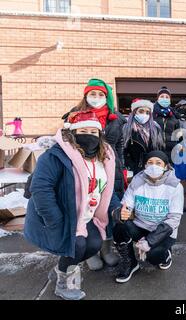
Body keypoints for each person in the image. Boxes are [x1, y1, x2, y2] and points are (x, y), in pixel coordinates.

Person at [24, 111, 121, 300]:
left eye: (94, 132)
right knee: (76, 246)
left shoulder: (105, 157)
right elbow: (41, 189)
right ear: (72, 133)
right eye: (83, 130)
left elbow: (107, 189)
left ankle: (61, 269)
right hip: (63, 215)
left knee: (94, 244)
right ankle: (63, 284)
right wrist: (56, 220)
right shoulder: (56, 155)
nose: (89, 135)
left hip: (86, 216)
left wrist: (116, 208)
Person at [63, 78, 126, 270]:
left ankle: (106, 249)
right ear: (86, 95)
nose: (96, 98)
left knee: (107, 208)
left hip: (109, 168)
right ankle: (91, 250)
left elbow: (120, 145)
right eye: (93, 94)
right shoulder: (75, 115)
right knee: (86, 208)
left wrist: (121, 168)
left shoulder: (115, 118)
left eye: (101, 94)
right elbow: (67, 143)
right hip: (85, 169)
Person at [112, 150, 184, 283]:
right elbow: (126, 205)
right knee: (119, 226)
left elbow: (173, 220)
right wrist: (121, 213)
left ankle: (165, 254)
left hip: (164, 232)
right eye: (149, 162)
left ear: (166, 166)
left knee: (153, 257)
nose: (153, 166)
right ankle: (131, 263)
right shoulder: (137, 181)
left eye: (158, 163)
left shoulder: (175, 186)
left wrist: (150, 241)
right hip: (141, 227)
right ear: (145, 165)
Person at [123, 98, 164, 175]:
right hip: (134, 169)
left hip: (153, 168)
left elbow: (160, 149)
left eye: (147, 112)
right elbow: (123, 151)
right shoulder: (126, 128)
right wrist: (129, 166)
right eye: (141, 111)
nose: (144, 114)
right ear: (134, 112)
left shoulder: (156, 128)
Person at [152, 86, 181, 162]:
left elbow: (178, 134)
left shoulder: (174, 115)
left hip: (171, 152)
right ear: (158, 98)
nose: (164, 98)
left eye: (167, 97)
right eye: (162, 96)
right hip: (155, 151)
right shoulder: (151, 114)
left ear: (170, 99)